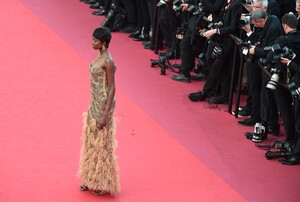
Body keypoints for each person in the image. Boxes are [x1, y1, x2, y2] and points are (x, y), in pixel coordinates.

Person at [78, 27, 120, 196]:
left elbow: (112, 89)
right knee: (91, 140)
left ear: (103, 44)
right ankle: (89, 177)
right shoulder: (99, 57)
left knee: (102, 144)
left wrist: (105, 114)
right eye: (92, 39)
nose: (92, 42)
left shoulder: (108, 62)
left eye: (95, 40)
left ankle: (102, 182)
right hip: (94, 102)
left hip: (103, 105)